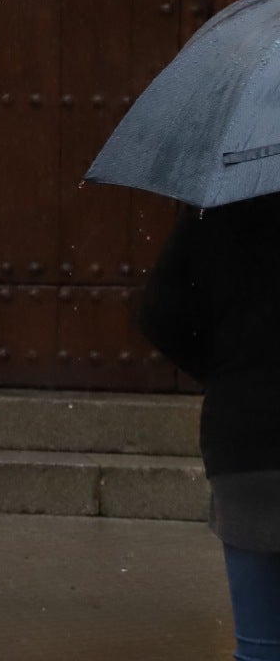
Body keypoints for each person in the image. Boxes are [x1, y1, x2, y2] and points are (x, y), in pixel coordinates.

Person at [142, 192, 280, 661]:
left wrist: (224, 371)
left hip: (245, 438)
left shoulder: (218, 209)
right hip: (246, 430)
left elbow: (159, 313)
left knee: (260, 647)